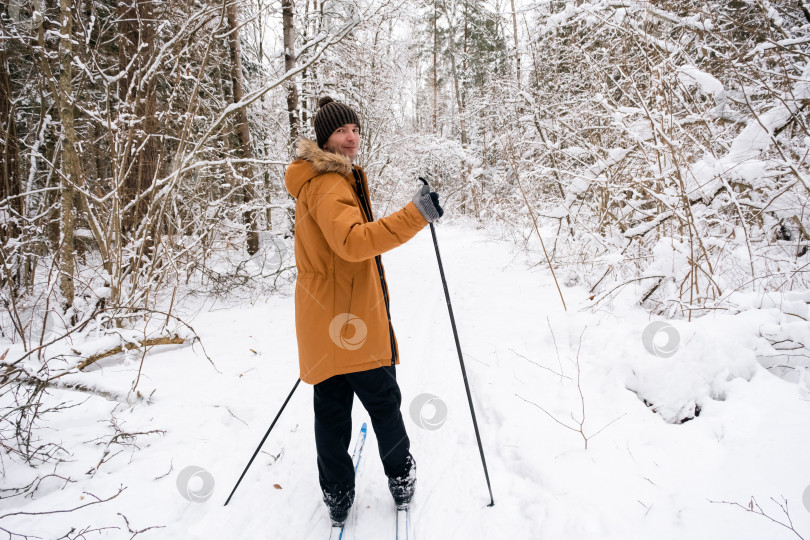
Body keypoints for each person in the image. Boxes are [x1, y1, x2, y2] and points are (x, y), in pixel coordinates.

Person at [284, 96, 444, 526]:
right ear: (324, 140)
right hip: (351, 321)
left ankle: (337, 495)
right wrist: (415, 214)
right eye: (341, 131)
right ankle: (400, 479)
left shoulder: (318, 180)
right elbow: (353, 243)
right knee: (384, 403)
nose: (351, 137)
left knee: (332, 411)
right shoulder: (329, 182)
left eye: (354, 128)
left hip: (324, 319)